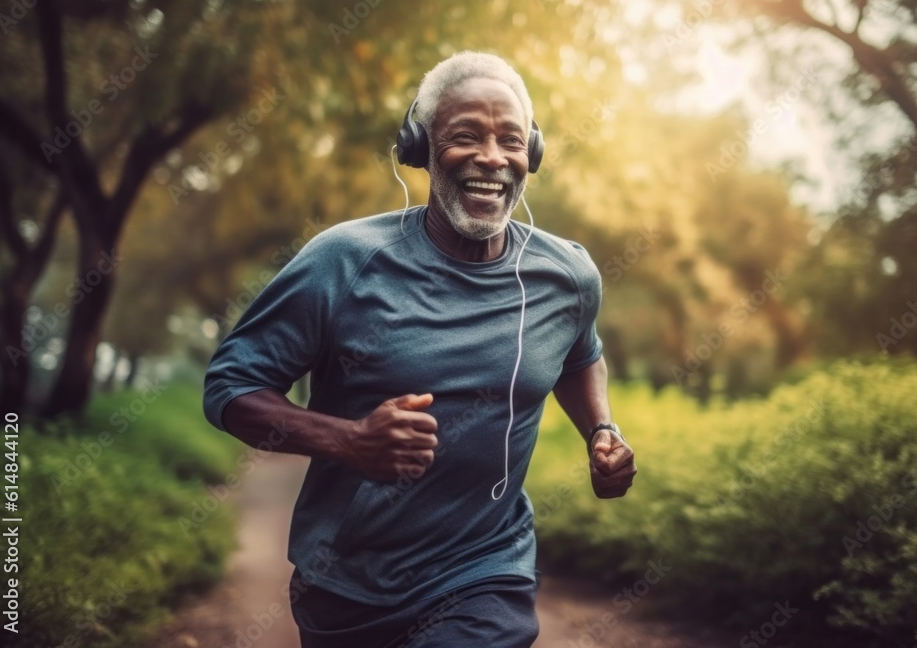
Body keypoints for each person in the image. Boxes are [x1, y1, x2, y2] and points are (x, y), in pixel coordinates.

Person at [203, 51, 637, 648]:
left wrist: (601, 430)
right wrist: (350, 441)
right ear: (420, 146)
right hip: (346, 583)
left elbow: (580, 355)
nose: (492, 157)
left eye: (510, 140)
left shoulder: (566, 275)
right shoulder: (344, 262)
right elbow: (230, 389)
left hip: (487, 569)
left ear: (530, 155)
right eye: (465, 136)